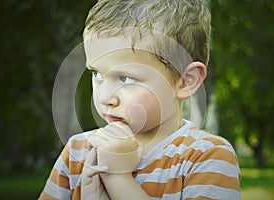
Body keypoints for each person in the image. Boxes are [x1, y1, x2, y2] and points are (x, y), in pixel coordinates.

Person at [39, 0, 240, 199]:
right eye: (96, 74)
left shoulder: (206, 157)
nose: (104, 97)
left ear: (184, 81)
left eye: (125, 78)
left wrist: (118, 179)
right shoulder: (78, 151)